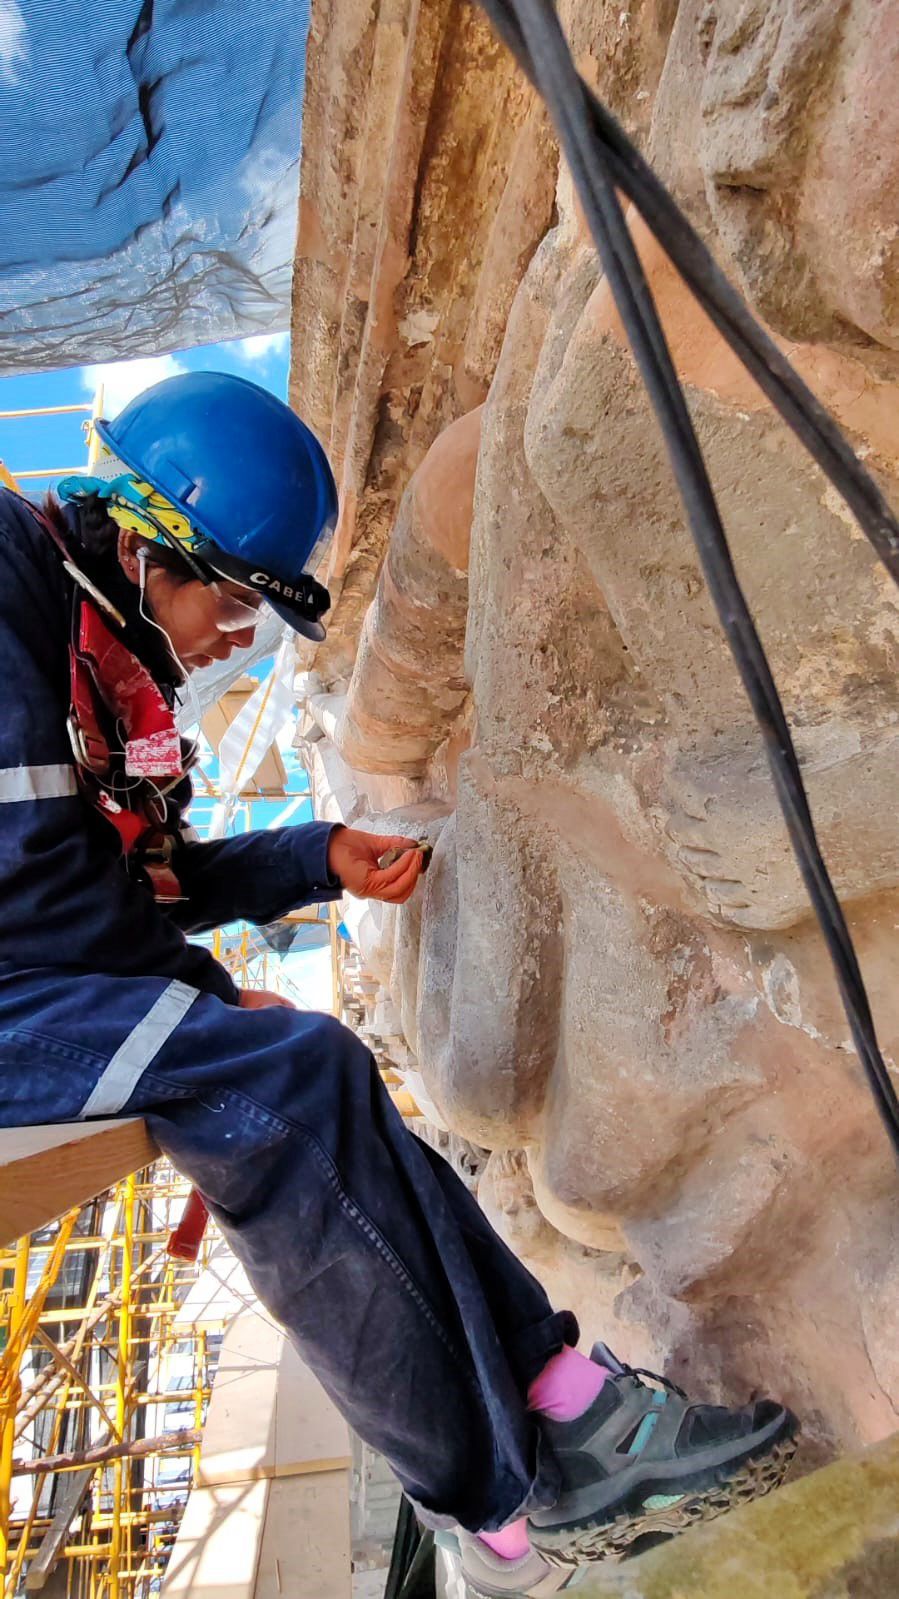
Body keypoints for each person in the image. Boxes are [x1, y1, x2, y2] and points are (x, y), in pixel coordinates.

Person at [0, 372, 797, 1597]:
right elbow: (38, 883)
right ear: (158, 544)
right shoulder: (8, 582)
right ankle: (500, 1505)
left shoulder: (90, 651)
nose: (240, 639)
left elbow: (141, 876)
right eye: (238, 599)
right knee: (277, 1086)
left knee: (307, 1066)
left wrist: (309, 856)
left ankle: (560, 1394)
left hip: (38, 972)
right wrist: (205, 999)